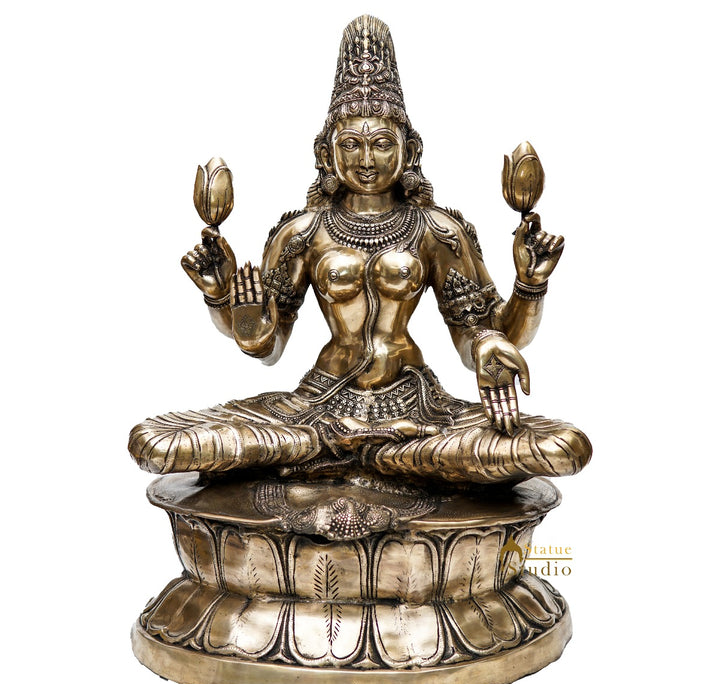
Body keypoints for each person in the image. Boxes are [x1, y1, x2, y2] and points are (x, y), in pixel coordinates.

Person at [129, 15, 591, 485]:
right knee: (164, 443)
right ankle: (374, 457)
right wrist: (231, 308)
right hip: (319, 407)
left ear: (410, 151)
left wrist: (527, 288)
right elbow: (268, 348)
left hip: (418, 409)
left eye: (382, 144)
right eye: (350, 144)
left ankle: (363, 456)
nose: (366, 160)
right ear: (325, 153)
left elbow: (480, 339)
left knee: (559, 447)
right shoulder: (303, 234)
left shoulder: (437, 231)